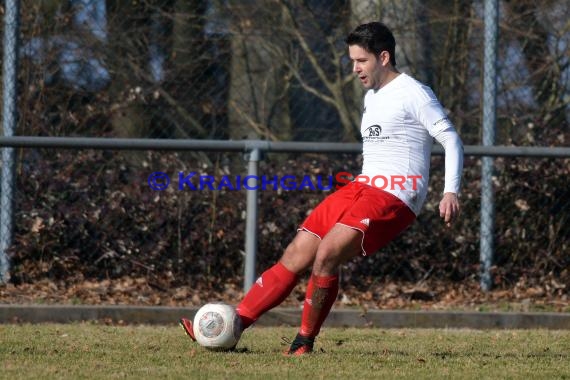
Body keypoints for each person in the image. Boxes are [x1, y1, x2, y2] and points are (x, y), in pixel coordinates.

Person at [179, 21, 463, 356]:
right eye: (352, 61)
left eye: (361, 61)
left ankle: (303, 342)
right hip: (361, 187)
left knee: (327, 254)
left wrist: (450, 191)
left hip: (396, 195)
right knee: (297, 253)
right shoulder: (373, 97)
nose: (355, 68)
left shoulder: (415, 93)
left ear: (383, 57)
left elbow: (451, 139)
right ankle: (232, 325)